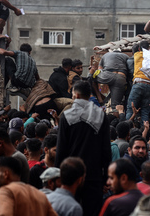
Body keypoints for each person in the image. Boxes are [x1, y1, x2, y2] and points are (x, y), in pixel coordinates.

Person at [55, 81, 112, 216]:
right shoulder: (101, 115)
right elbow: (106, 150)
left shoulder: (66, 116)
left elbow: (61, 149)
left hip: (70, 176)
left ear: (77, 95)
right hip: (94, 175)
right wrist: (105, 179)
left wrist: (58, 176)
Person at [126, 41, 150, 122]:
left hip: (138, 84)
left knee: (131, 109)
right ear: (148, 49)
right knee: (145, 111)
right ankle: (144, 131)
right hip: (149, 85)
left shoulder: (137, 55)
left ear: (139, 49)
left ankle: (128, 129)